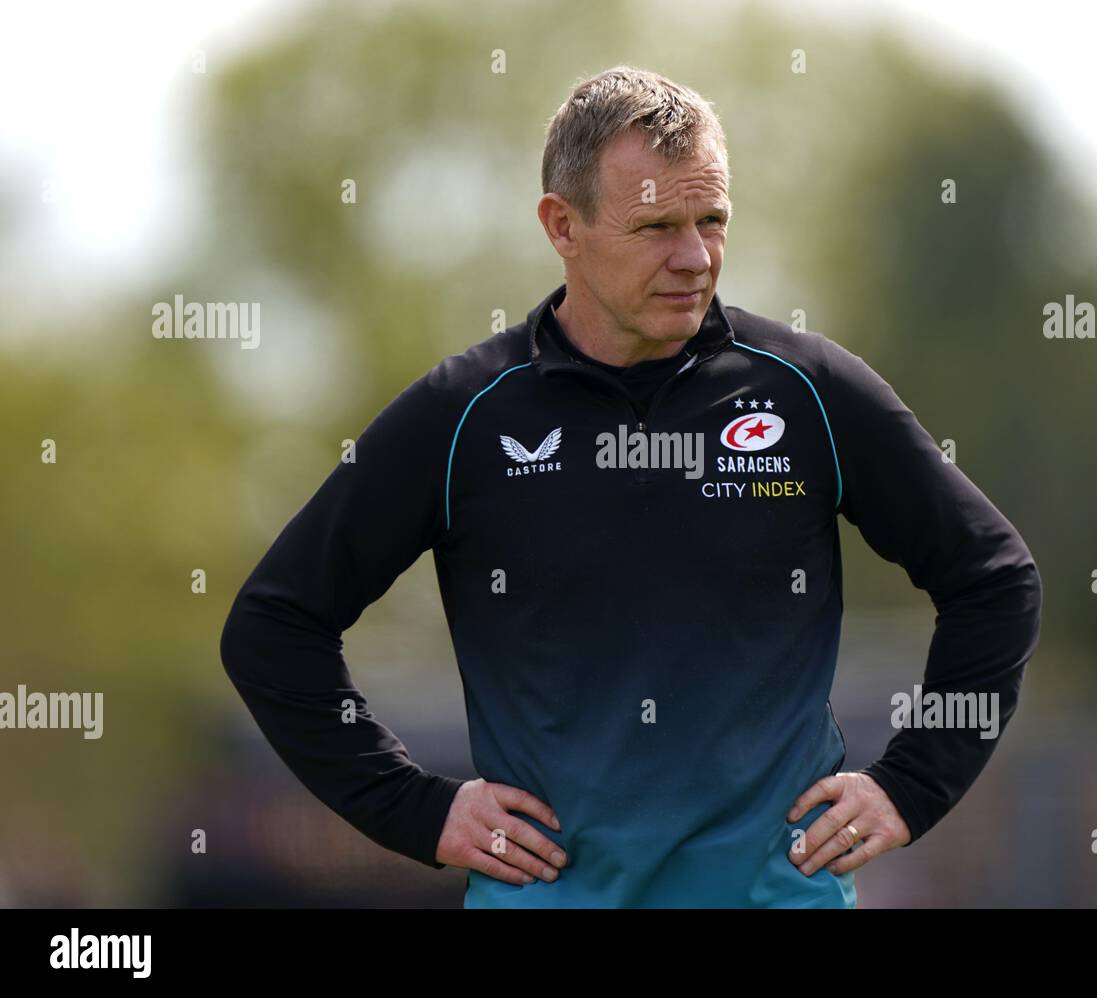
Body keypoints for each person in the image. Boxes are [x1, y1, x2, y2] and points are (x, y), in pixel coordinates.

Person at [220, 65, 1043, 908]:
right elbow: (273, 628)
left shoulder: (808, 393)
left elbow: (994, 582)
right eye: (655, 226)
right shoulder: (462, 415)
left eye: (712, 220)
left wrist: (911, 785)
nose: (694, 257)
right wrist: (415, 808)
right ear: (561, 226)